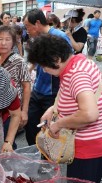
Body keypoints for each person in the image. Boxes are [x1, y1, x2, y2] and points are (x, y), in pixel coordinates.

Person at [27, 33, 102, 183]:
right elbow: (75, 96)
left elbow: (90, 114)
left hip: (90, 149)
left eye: (44, 66)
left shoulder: (77, 74)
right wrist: (54, 108)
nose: (44, 70)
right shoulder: (78, 62)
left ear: (56, 60)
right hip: (94, 142)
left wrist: (59, 124)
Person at [23, 8, 71, 146]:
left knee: (48, 129)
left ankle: (47, 161)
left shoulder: (59, 37)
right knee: (31, 126)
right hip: (38, 90)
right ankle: (35, 155)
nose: (27, 30)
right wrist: (30, 68)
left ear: (37, 23)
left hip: (52, 93)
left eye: (28, 26)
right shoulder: (39, 38)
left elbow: (68, 64)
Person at [0, 25, 31, 148]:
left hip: (12, 111)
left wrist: (24, 112)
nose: (3, 43)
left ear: (13, 42)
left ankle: (10, 165)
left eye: (7, 39)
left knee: (8, 141)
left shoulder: (18, 61)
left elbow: (26, 86)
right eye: (0, 39)